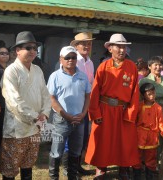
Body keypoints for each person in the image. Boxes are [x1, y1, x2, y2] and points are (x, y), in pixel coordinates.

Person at [85, 33, 140, 179]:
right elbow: (95, 92)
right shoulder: (103, 67)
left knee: (125, 141)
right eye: (118, 47)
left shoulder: (132, 67)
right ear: (110, 49)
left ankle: (124, 168)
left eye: (124, 47)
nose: (122, 50)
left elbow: (135, 93)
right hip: (104, 108)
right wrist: (95, 113)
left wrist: (131, 113)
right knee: (103, 140)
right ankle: (101, 167)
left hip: (123, 110)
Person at [0, 31, 51, 179]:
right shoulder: (11, 71)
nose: (33, 51)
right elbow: (14, 101)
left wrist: (44, 114)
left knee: (28, 165)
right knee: (10, 169)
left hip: (35, 127)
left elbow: (46, 95)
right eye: (28, 48)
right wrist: (35, 117)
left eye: (35, 48)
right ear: (17, 51)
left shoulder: (38, 70)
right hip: (16, 129)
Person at [47, 46, 91, 179]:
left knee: (75, 152)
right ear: (61, 59)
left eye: (73, 57)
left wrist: (83, 114)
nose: (71, 60)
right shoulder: (55, 76)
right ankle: (54, 177)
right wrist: (66, 115)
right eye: (67, 57)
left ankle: (72, 176)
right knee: (56, 153)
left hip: (79, 120)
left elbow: (88, 95)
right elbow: (52, 99)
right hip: (61, 120)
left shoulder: (82, 76)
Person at [60, 32, 94, 176]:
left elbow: (90, 86)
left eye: (88, 43)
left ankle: (77, 166)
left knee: (82, 137)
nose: (86, 46)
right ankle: (68, 168)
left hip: (84, 106)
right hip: (72, 105)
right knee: (70, 139)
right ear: (76, 45)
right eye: (83, 43)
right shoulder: (72, 60)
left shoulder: (90, 62)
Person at [132, 83, 163, 180]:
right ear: (143, 95)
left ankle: (150, 176)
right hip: (140, 134)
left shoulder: (158, 108)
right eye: (149, 94)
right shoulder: (139, 106)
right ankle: (136, 175)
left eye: (153, 93)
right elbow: (134, 120)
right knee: (137, 155)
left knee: (151, 157)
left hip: (152, 136)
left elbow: (161, 122)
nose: (152, 96)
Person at [139, 56, 163, 123]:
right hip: (148, 112)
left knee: (162, 132)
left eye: (160, 65)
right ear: (149, 66)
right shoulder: (144, 81)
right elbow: (139, 99)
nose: (158, 67)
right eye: (156, 65)